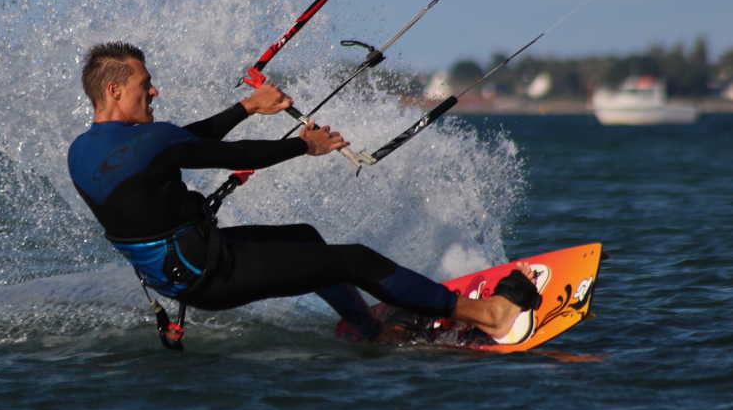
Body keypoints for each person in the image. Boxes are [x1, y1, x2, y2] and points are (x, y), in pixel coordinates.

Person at [67, 41, 538, 343]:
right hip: (213, 273)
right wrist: (302, 145)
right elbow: (214, 153)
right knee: (354, 260)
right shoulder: (153, 141)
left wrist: (249, 106)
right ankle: (492, 315)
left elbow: (179, 143)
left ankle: (366, 328)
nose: (154, 93)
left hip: (177, 276)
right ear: (114, 89)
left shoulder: (82, 153)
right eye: (145, 86)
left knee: (307, 237)